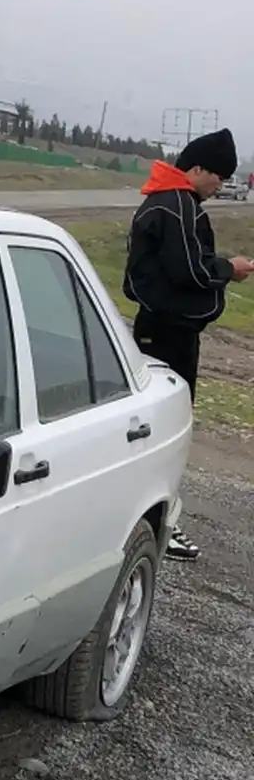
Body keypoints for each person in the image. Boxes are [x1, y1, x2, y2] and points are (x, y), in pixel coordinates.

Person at [123, 127, 253, 560]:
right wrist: (228, 268)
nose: (221, 185)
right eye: (218, 176)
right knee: (168, 431)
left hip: (155, 328)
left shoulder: (164, 200)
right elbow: (190, 272)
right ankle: (162, 523)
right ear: (196, 169)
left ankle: (142, 516)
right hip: (169, 334)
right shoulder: (178, 205)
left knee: (150, 426)